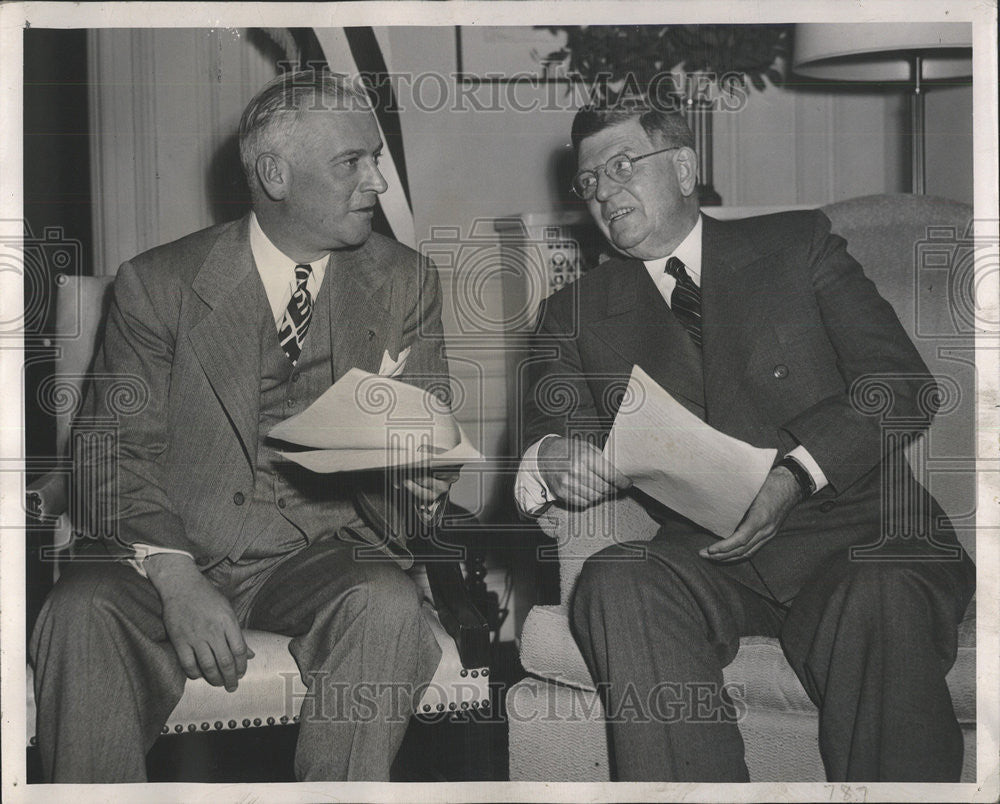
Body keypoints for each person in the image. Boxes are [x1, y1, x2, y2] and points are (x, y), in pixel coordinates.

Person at [515, 100, 975, 782]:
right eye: (589, 183)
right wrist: (552, 460)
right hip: (713, 554)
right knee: (617, 581)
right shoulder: (572, 313)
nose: (604, 193)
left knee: (875, 596)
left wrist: (796, 473)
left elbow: (901, 385)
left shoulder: (796, 246)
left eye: (620, 167)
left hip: (862, 537)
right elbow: (546, 432)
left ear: (683, 168)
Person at [30, 70, 458, 783]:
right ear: (274, 175)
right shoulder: (157, 284)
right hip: (167, 543)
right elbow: (109, 457)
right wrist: (175, 578)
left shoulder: (406, 280)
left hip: (316, 553)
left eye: (375, 158)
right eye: (353, 162)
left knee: (385, 601)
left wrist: (420, 482)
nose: (378, 182)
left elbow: (425, 445)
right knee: (80, 614)